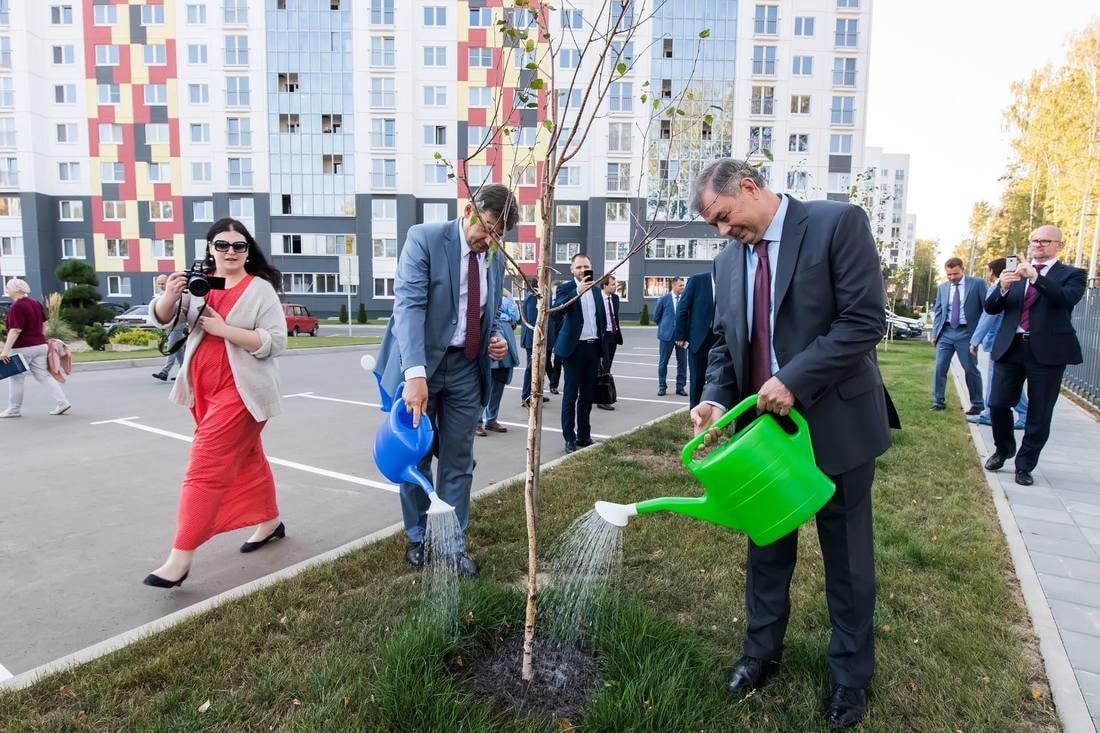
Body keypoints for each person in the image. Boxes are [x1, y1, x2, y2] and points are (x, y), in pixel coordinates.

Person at [690, 158, 897, 727]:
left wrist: (794, 379)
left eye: (728, 219)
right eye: (717, 227)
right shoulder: (727, 261)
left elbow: (862, 320)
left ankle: (850, 678)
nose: (727, 234)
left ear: (751, 188)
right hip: (764, 437)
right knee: (767, 548)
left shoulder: (837, 225)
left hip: (837, 425)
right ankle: (760, 654)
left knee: (848, 559)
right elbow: (721, 342)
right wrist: (712, 396)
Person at [373, 184, 516, 577]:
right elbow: (410, 306)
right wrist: (414, 375)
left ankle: (451, 544)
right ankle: (419, 538)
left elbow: (486, 311)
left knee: (458, 460)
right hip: (422, 366)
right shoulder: (425, 239)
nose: (489, 240)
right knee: (416, 456)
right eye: (487, 228)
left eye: (498, 235)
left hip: (467, 369)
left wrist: (494, 339)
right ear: (469, 210)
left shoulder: (493, 258)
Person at [142, 218, 288, 588]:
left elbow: (275, 342)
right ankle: (270, 521)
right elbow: (164, 321)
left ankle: (180, 559)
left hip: (243, 393)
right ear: (210, 248)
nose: (230, 252)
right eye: (222, 245)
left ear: (248, 251)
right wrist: (170, 295)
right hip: (203, 392)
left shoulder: (260, 290)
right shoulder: (199, 285)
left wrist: (225, 331)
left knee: (204, 466)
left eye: (239, 246)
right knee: (249, 457)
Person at [983, 225, 1087, 486]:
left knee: (1039, 412)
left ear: (1058, 246)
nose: (1038, 245)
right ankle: (1004, 448)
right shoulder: (1014, 272)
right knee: (997, 403)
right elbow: (991, 307)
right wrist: (1003, 287)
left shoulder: (1072, 274)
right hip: (1011, 346)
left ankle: (1025, 464)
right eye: (1034, 240)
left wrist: (1035, 278)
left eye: (1045, 241)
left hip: (1048, 352)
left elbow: (1066, 299)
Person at [553, 253, 607, 453]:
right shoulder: (566, 288)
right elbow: (557, 310)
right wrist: (577, 291)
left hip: (593, 349)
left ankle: (584, 436)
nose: (583, 270)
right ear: (572, 270)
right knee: (570, 395)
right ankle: (569, 438)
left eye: (586, 266)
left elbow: (599, 319)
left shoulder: (596, 289)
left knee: (587, 396)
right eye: (579, 267)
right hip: (573, 350)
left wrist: (602, 350)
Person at [968, 258, 1027, 429]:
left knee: (1000, 380)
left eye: (987, 270)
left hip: (999, 342)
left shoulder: (998, 288)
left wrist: (975, 340)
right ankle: (990, 413)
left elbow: (988, 317)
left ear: (993, 272)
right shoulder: (1017, 287)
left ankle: (1023, 413)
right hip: (1005, 340)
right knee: (1000, 380)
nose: (987, 274)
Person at [0, 278, 71, 417]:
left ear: (15, 290)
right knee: (43, 376)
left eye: (8, 288)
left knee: (16, 378)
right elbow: (44, 324)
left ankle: (14, 409)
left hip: (22, 347)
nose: (6, 290)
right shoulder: (35, 303)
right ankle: (62, 402)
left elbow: (15, 330)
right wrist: (41, 337)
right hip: (40, 345)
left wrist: (5, 351)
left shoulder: (17, 306)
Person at [930, 257, 985, 414]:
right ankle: (938, 401)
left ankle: (977, 403)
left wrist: (979, 336)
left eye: (955, 274)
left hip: (966, 333)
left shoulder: (977, 284)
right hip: (946, 333)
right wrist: (935, 334)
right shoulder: (943, 288)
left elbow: (986, 309)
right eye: (949, 274)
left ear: (963, 269)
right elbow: (939, 311)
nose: (952, 277)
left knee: (970, 369)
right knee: (940, 368)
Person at [478, 288, 520, 435]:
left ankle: (491, 419)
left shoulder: (504, 297)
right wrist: (505, 316)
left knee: (500, 382)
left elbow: (515, 316)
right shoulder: (484, 293)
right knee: (484, 385)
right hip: (490, 342)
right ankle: (477, 421)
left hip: (506, 346)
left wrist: (509, 296)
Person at [674, 271, 716, 408]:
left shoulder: (730, 281)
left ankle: (717, 414)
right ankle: (695, 411)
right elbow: (682, 309)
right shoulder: (698, 281)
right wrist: (680, 335)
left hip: (721, 339)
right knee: (698, 378)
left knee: (719, 379)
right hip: (699, 340)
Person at [653, 277, 687, 396]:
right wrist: (665, 327)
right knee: (663, 362)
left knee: (682, 362)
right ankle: (662, 386)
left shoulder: (685, 299)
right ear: (673, 286)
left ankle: (680, 387)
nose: (683, 287)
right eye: (680, 285)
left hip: (682, 337)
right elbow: (656, 317)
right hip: (666, 336)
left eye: (683, 285)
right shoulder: (663, 299)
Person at [519, 279, 549, 409]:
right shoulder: (533, 297)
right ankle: (526, 396)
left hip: (536, 339)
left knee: (537, 368)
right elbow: (534, 321)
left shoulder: (534, 296)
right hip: (533, 340)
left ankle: (536, 393)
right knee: (531, 368)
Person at [152, 274, 186, 382]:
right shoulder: (162, 295)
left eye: (163, 283)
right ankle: (184, 372)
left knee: (171, 349)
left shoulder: (175, 294)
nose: (161, 285)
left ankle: (164, 372)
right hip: (170, 327)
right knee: (178, 350)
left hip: (177, 326)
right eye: (159, 283)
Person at [597, 275, 623, 411]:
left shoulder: (615, 298)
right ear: (605, 286)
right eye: (613, 284)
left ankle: (600, 394)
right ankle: (603, 400)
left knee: (607, 366)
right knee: (603, 366)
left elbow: (615, 316)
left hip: (613, 335)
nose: (615, 286)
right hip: (602, 337)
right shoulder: (598, 298)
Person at [547, 280, 564, 395]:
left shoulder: (562, 301)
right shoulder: (546, 300)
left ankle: (554, 385)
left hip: (559, 337)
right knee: (546, 361)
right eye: (555, 289)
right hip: (547, 337)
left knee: (558, 362)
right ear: (552, 288)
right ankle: (552, 379)